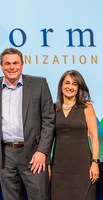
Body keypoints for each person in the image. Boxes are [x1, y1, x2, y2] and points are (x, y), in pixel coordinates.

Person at [0, 47, 55, 200]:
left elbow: (49, 120)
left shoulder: (39, 84)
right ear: (1, 66)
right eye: (7, 64)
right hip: (5, 156)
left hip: (34, 155)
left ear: (22, 64)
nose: (11, 67)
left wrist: (42, 151)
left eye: (15, 63)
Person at [51, 70, 100, 200]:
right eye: (67, 83)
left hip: (82, 167)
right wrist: (47, 164)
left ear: (78, 88)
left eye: (74, 84)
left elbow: (94, 137)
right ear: (61, 85)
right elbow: (48, 139)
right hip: (59, 168)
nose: (70, 87)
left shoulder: (86, 107)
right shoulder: (53, 108)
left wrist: (95, 163)